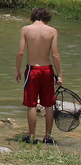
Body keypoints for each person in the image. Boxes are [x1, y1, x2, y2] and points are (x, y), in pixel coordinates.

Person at [15, 7, 63, 145]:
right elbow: (55, 55)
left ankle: (32, 137)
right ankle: (47, 137)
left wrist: (17, 70)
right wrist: (59, 75)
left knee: (31, 104)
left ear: (33, 17)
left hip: (32, 69)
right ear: (46, 18)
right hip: (47, 69)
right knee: (48, 105)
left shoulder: (26, 30)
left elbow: (20, 52)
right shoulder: (52, 31)